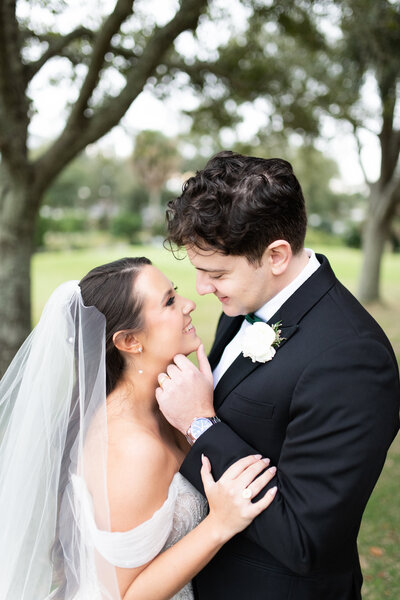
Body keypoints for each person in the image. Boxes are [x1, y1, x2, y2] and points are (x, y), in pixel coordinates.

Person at [156, 151, 400, 600]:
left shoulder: (353, 358)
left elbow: (308, 539)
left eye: (215, 273)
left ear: (276, 255)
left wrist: (200, 424)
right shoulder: (245, 306)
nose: (203, 289)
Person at [0, 257, 278, 600]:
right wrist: (219, 525)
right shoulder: (131, 448)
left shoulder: (164, 408)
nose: (189, 304)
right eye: (170, 302)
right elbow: (125, 595)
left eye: (175, 293)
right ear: (129, 342)